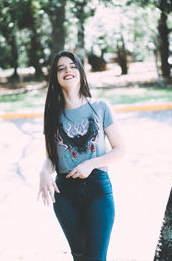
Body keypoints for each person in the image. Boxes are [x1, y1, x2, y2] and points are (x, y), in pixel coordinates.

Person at [38, 50, 125, 261]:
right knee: (80, 256)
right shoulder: (51, 112)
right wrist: (43, 172)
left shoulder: (100, 107)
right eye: (61, 68)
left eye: (72, 66)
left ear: (80, 71)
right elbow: (52, 157)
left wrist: (92, 163)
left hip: (98, 191)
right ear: (56, 77)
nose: (67, 70)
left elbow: (120, 149)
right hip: (65, 193)